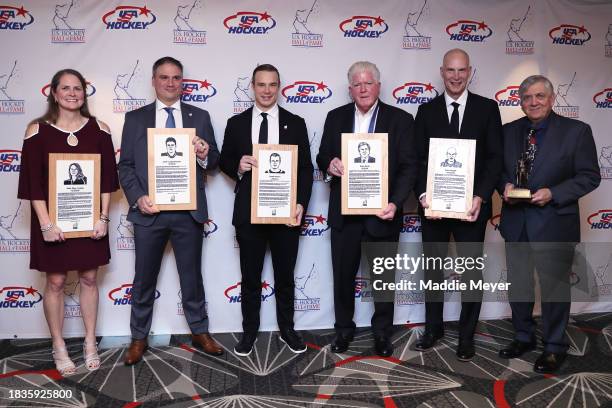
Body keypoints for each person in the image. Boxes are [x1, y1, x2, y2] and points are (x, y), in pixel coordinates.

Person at [118, 56, 223, 365]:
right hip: (149, 212)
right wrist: (138, 198)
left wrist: (204, 153)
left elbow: (214, 161)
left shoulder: (199, 116)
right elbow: (125, 167)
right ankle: (138, 338)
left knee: (192, 278)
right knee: (143, 279)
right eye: (164, 77)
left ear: (182, 82)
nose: (170, 83)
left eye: (176, 78)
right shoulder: (136, 119)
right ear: (154, 80)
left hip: (188, 212)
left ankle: (200, 332)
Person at [18, 68, 119, 375]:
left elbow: (105, 181)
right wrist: (46, 224)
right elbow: (33, 183)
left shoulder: (100, 130)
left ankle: (90, 342)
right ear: (54, 92)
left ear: (84, 93)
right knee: (57, 281)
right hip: (52, 223)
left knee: (89, 278)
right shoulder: (37, 130)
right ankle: (59, 346)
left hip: (90, 222)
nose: (73, 93)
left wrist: (103, 218)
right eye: (66, 88)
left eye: (78, 88)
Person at [497, 75, 600, 373]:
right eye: (527, 97)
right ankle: (523, 336)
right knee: (520, 284)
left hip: (554, 222)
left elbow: (589, 176)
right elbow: (497, 171)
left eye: (540, 96)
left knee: (555, 289)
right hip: (516, 221)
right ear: (520, 101)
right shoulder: (508, 132)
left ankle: (554, 347)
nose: (533, 102)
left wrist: (554, 193)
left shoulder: (577, 131)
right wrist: (502, 186)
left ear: (552, 98)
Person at [316, 61, 417, 357]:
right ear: (350, 89)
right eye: (357, 84)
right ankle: (343, 331)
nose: (363, 89)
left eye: (368, 83)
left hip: (381, 215)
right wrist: (330, 164)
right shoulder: (335, 117)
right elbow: (322, 156)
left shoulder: (400, 119)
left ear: (378, 86)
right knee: (343, 277)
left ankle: (382, 334)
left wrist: (395, 203)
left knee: (383, 281)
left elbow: (409, 167)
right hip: (345, 215)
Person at [414, 49, 503, 361]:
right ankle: (433, 328)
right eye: (450, 70)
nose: (455, 76)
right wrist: (423, 195)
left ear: (470, 71)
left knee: (470, 273)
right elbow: (416, 160)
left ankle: (466, 336)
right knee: (434, 270)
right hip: (434, 208)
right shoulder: (425, 111)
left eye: (461, 70)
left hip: (471, 208)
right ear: (441, 71)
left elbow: (495, 159)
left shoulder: (488, 109)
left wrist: (480, 195)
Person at [219, 64, 313, 356]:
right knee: (250, 278)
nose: (267, 90)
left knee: (285, 277)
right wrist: (238, 165)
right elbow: (223, 161)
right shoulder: (236, 123)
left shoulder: (296, 123)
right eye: (261, 85)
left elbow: (306, 169)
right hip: (249, 214)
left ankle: (288, 330)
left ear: (279, 87)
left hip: (285, 214)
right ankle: (249, 333)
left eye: (273, 85)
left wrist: (300, 204)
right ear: (253, 86)